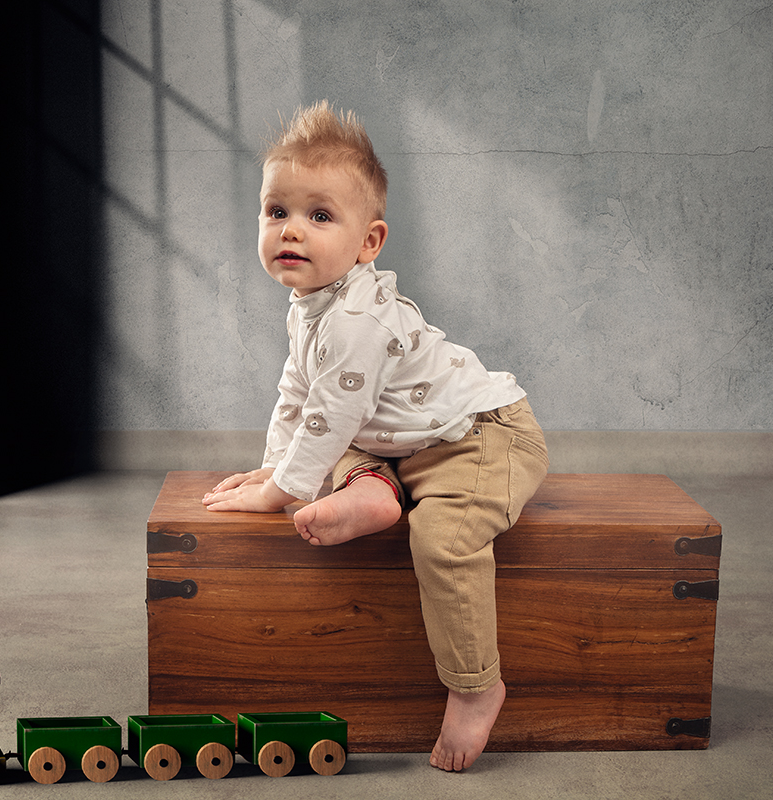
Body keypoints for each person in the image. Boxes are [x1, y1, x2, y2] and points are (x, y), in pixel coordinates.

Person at [202, 100, 548, 771]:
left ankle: (476, 685)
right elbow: (298, 395)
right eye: (277, 212)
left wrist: (281, 492)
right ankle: (374, 489)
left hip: (480, 438)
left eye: (320, 216)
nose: (292, 230)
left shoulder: (356, 317)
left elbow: (328, 414)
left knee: (442, 539)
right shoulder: (312, 306)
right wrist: (272, 468)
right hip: (402, 440)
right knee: (329, 447)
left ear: (369, 242)